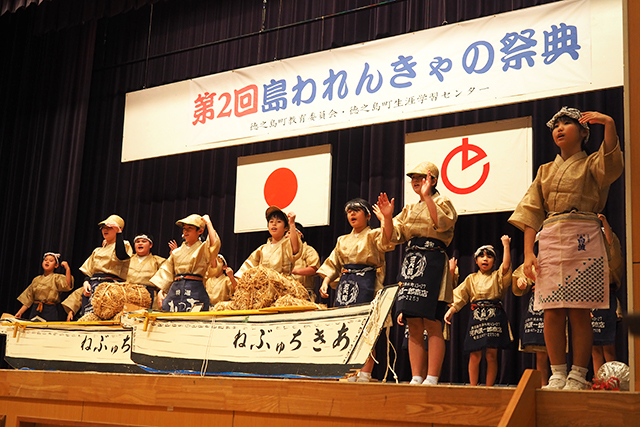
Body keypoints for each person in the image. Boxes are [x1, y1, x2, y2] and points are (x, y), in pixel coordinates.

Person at [508, 107, 624, 390]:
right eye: (555, 125)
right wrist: (528, 253)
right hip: (552, 237)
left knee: (580, 310)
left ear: (584, 132)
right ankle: (558, 372)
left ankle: (578, 374)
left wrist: (608, 123)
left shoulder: (592, 164)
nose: (559, 128)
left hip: (583, 235)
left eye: (567, 123)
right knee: (551, 310)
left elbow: (611, 161)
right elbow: (531, 212)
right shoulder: (545, 171)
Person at [378, 161, 457, 386]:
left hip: (432, 260)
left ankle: (432, 376)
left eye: (421, 177)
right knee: (413, 323)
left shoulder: (443, 201)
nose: (415, 181)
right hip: (411, 262)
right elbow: (393, 237)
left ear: (432, 180)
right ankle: (415, 376)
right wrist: (386, 218)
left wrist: (428, 197)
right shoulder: (409, 209)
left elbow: (440, 224)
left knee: (432, 322)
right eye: (413, 178)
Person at [317, 198, 394, 382]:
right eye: (349, 211)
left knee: (368, 329)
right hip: (346, 285)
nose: (351, 214)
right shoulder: (342, 240)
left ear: (368, 215)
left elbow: (387, 240)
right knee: (346, 329)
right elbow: (333, 262)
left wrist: (385, 219)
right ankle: (349, 371)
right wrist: (326, 280)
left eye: (356, 210)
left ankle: (365, 372)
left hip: (368, 284)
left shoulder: (374, 234)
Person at [444, 237, 512, 386]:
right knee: (474, 354)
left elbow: (506, 267)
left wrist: (506, 246)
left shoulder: (497, 276)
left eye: (489, 256)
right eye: (481, 256)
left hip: (494, 315)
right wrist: (452, 310)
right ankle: (473, 387)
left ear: (494, 261)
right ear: (476, 261)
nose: (485, 259)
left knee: (491, 355)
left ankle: (489, 387)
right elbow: (460, 296)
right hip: (477, 316)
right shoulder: (471, 279)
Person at [151, 214, 220, 312]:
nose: (185, 231)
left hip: (195, 287)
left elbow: (214, 244)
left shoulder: (204, 249)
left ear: (200, 231)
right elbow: (167, 272)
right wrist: (160, 292)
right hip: (176, 288)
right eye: (184, 229)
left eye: (190, 228)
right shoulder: (176, 252)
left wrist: (208, 223)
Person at [79, 214, 132, 315]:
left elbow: (121, 256)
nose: (105, 230)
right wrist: (86, 282)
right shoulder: (97, 250)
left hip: (110, 286)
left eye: (109, 228)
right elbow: (89, 269)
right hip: (93, 285)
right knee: (88, 316)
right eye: (103, 228)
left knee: (104, 316)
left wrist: (119, 234)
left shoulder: (125, 244)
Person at [591, 213, 624, 374]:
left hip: (606, 299)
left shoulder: (609, 254)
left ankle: (612, 380)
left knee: (608, 346)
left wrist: (604, 221)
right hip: (590, 301)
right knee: (594, 348)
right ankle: (599, 381)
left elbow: (612, 244)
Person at [235, 206, 301, 278]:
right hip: (264, 285)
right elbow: (248, 266)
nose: (274, 224)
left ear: (286, 228)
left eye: (278, 221)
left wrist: (291, 223)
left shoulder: (287, 244)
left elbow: (295, 248)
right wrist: (236, 278)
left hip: (283, 284)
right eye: (271, 222)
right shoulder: (262, 249)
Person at [512, 262, 549, 387]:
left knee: (556, 346)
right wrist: (520, 282)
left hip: (556, 301)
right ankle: (543, 385)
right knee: (541, 350)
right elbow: (519, 276)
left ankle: (560, 381)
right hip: (537, 305)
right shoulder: (534, 261)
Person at [15, 252, 74, 321]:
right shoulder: (36, 279)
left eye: (51, 261)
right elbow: (29, 298)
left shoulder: (56, 278)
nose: (47, 262)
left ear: (56, 265)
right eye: (45, 260)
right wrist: (20, 312)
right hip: (36, 309)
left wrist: (67, 269)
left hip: (49, 310)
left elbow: (67, 285)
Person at [126, 234, 166, 310]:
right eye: (137, 242)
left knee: (148, 320)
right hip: (129, 294)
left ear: (151, 245)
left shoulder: (158, 261)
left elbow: (168, 274)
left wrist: (174, 255)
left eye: (144, 241)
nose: (140, 243)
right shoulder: (128, 259)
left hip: (149, 295)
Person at [290, 223, 321, 301]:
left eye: (289, 233)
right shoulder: (284, 252)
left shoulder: (308, 250)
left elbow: (315, 269)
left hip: (305, 294)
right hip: (287, 295)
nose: (286, 236)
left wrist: (294, 271)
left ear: (299, 234)